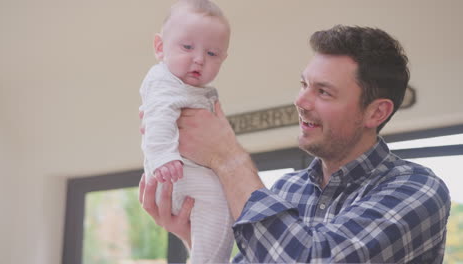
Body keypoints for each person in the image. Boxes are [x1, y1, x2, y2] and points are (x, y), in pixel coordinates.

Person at [139, 25, 451, 263]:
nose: (300, 101)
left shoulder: (417, 190)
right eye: (304, 84)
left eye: (323, 91)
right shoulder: (286, 190)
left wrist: (228, 157)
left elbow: (311, 257)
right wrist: (197, 236)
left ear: (376, 111)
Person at [138, 0, 234, 263]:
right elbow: (156, 118)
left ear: (223, 59)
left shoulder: (185, 85)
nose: (199, 59)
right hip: (175, 170)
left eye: (212, 54)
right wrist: (164, 157)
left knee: (223, 209)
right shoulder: (164, 81)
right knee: (219, 201)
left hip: (183, 171)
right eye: (187, 47)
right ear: (160, 47)